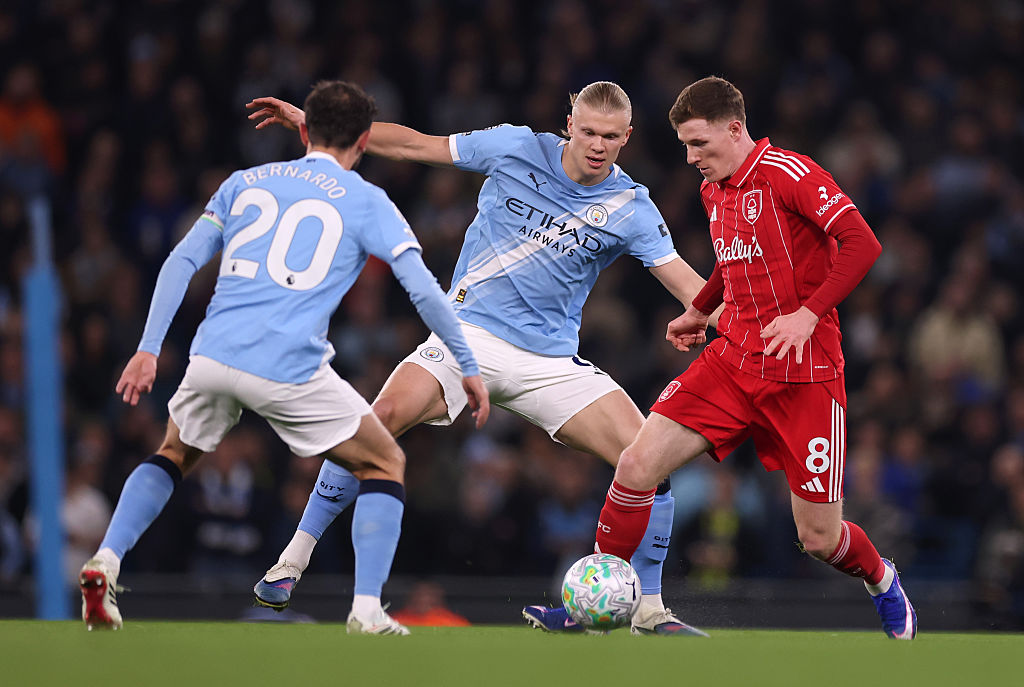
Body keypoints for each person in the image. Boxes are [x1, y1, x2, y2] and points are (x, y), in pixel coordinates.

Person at [246, 81, 715, 635]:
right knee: (379, 421)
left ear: (626, 138)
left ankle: (650, 610)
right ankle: (290, 563)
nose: (596, 144)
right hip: (466, 336)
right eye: (587, 131)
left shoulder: (630, 207)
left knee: (649, 461)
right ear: (570, 122)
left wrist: (741, 322)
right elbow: (416, 145)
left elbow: (692, 287)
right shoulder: (515, 147)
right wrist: (317, 126)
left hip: (550, 362)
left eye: (609, 137)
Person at [78, 80, 489, 635]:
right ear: (365, 140)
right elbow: (422, 290)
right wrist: (465, 362)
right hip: (289, 365)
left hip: (213, 354)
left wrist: (148, 348)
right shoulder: (369, 200)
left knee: (174, 452)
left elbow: (180, 260)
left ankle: (107, 558)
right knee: (383, 462)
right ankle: (367, 610)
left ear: (303, 130)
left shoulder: (243, 182)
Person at [592, 76, 917, 639]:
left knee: (819, 539)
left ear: (734, 128)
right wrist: (700, 308)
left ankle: (881, 577)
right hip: (734, 360)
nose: (691, 158)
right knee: (636, 465)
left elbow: (863, 243)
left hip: (805, 377)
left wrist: (809, 314)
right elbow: (732, 259)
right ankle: (594, 610)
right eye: (685, 147)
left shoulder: (792, 174)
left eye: (699, 144)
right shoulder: (714, 188)